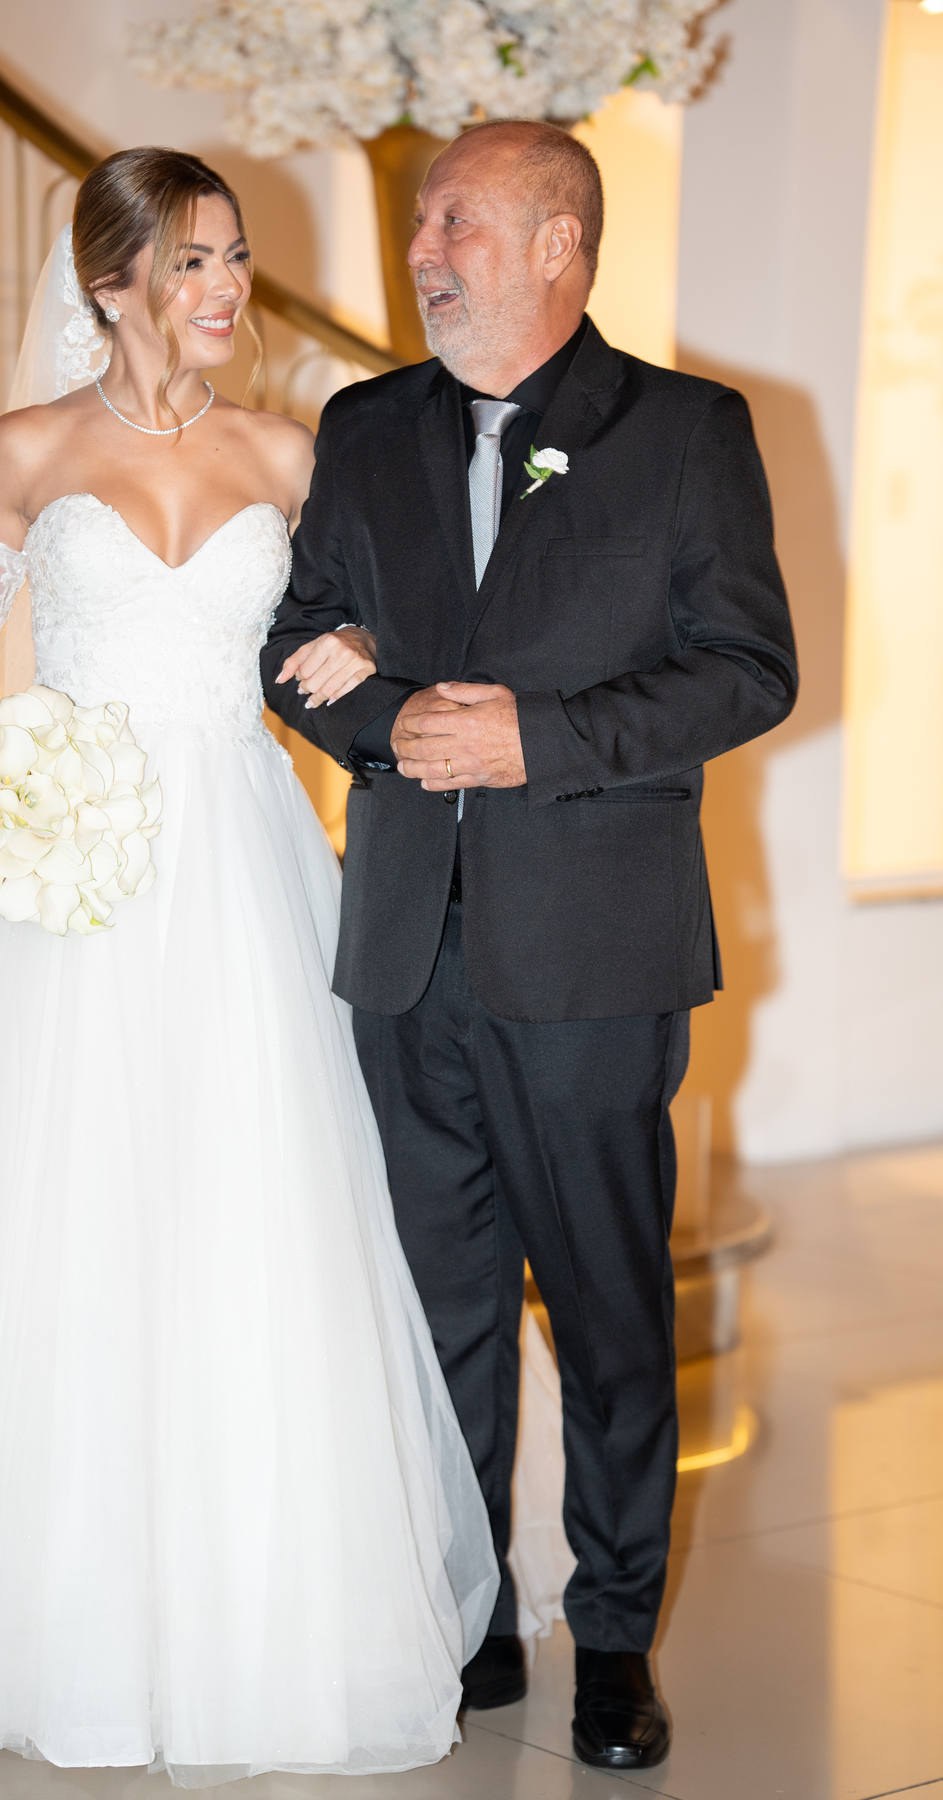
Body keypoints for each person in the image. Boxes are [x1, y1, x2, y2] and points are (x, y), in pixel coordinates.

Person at [0, 148, 504, 1790]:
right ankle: (37, 1616)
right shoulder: (29, 447)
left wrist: (366, 647)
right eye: (193, 263)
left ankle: (243, 1611)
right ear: (110, 286)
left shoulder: (287, 451)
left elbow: (384, 618)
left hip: (237, 862)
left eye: (234, 258)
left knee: (245, 1207)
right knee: (52, 1216)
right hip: (64, 879)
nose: (226, 289)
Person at [262, 119, 798, 1772]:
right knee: (440, 1314)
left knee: (610, 1313)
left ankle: (616, 1636)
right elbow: (296, 642)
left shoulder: (690, 431)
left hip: (593, 963)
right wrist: (392, 725)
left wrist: (536, 740)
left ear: (561, 244)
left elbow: (748, 670)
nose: (423, 251)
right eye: (426, 224)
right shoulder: (364, 426)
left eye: (458, 224)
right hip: (401, 955)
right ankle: (474, 1612)